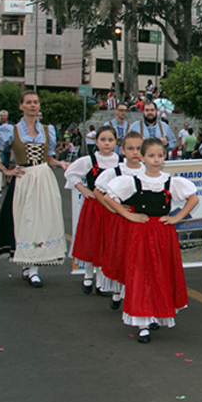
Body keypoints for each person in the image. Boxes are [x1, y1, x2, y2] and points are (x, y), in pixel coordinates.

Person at [103, 138, 199, 343]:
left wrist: (177, 217)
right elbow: (108, 197)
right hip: (140, 233)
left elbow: (193, 198)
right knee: (141, 274)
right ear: (143, 157)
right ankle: (142, 322)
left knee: (161, 273)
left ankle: (155, 313)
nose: (156, 160)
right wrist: (127, 215)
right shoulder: (133, 181)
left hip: (163, 234)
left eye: (160, 155)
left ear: (165, 157)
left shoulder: (170, 181)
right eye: (151, 156)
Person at [0, 91, 69, 287]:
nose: (33, 105)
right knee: (26, 221)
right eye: (29, 102)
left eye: (36, 102)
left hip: (43, 177)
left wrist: (60, 164)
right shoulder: (11, 130)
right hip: (23, 178)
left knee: (41, 221)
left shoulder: (48, 130)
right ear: (21, 106)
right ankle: (27, 261)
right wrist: (6, 171)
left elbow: (49, 159)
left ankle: (34, 268)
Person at [65, 126, 123, 294]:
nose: (106, 143)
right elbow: (70, 173)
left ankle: (101, 278)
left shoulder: (119, 161)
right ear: (96, 142)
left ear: (116, 142)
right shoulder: (89, 160)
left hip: (111, 207)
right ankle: (88, 274)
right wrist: (83, 189)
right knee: (92, 240)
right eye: (103, 140)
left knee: (107, 242)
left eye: (110, 140)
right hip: (94, 206)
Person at [94, 131, 145, 308]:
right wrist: (112, 207)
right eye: (130, 148)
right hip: (121, 219)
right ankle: (118, 290)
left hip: (141, 219)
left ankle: (134, 293)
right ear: (122, 150)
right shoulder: (115, 171)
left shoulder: (148, 171)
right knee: (121, 254)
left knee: (138, 257)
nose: (135, 152)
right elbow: (98, 191)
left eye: (138, 148)